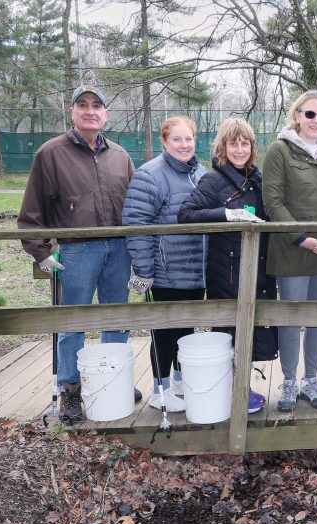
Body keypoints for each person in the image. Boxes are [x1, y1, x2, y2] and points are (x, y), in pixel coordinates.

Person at [18, 85, 137, 422]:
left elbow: (136, 208)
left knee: (117, 318)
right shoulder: (50, 154)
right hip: (77, 250)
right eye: (82, 105)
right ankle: (69, 390)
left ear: (105, 114)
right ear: (72, 112)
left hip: (119, 249)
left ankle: (114, 378)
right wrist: (40, 253)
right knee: (73, 323)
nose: (90, 111)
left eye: (97, 105)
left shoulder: (120, 156)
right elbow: (31, 212)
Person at [178, 118, 277, 414]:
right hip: (227, 270)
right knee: (230, 330)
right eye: (233, 143)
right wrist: (226, 214)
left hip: (258, 267)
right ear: (223, 147)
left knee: (253, 327)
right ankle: (233, 393)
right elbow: (186, 214)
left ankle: (242, 388)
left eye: (244, 143)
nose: (239, 149)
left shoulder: (258, 178)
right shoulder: (214, 180)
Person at [262, 90, 317, 412]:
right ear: (296, 115)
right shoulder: (279, 151)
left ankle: (311, 379)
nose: (316, 121)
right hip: (291, 249)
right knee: (291, 316)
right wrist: (300, 237)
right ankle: (288, 380)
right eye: (309, 114)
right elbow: (273, 202)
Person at [122, 116, 206, 414]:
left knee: (186, 329)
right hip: (165, 272)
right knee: (164, 333)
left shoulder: (200, 173)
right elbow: (136, 224)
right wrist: (144, 270)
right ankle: (160, 389)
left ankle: (180, 382)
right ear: (164, 141)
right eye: (177, 140)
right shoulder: (150, 175)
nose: (184, 145)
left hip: (196, 270)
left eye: (189, 139)